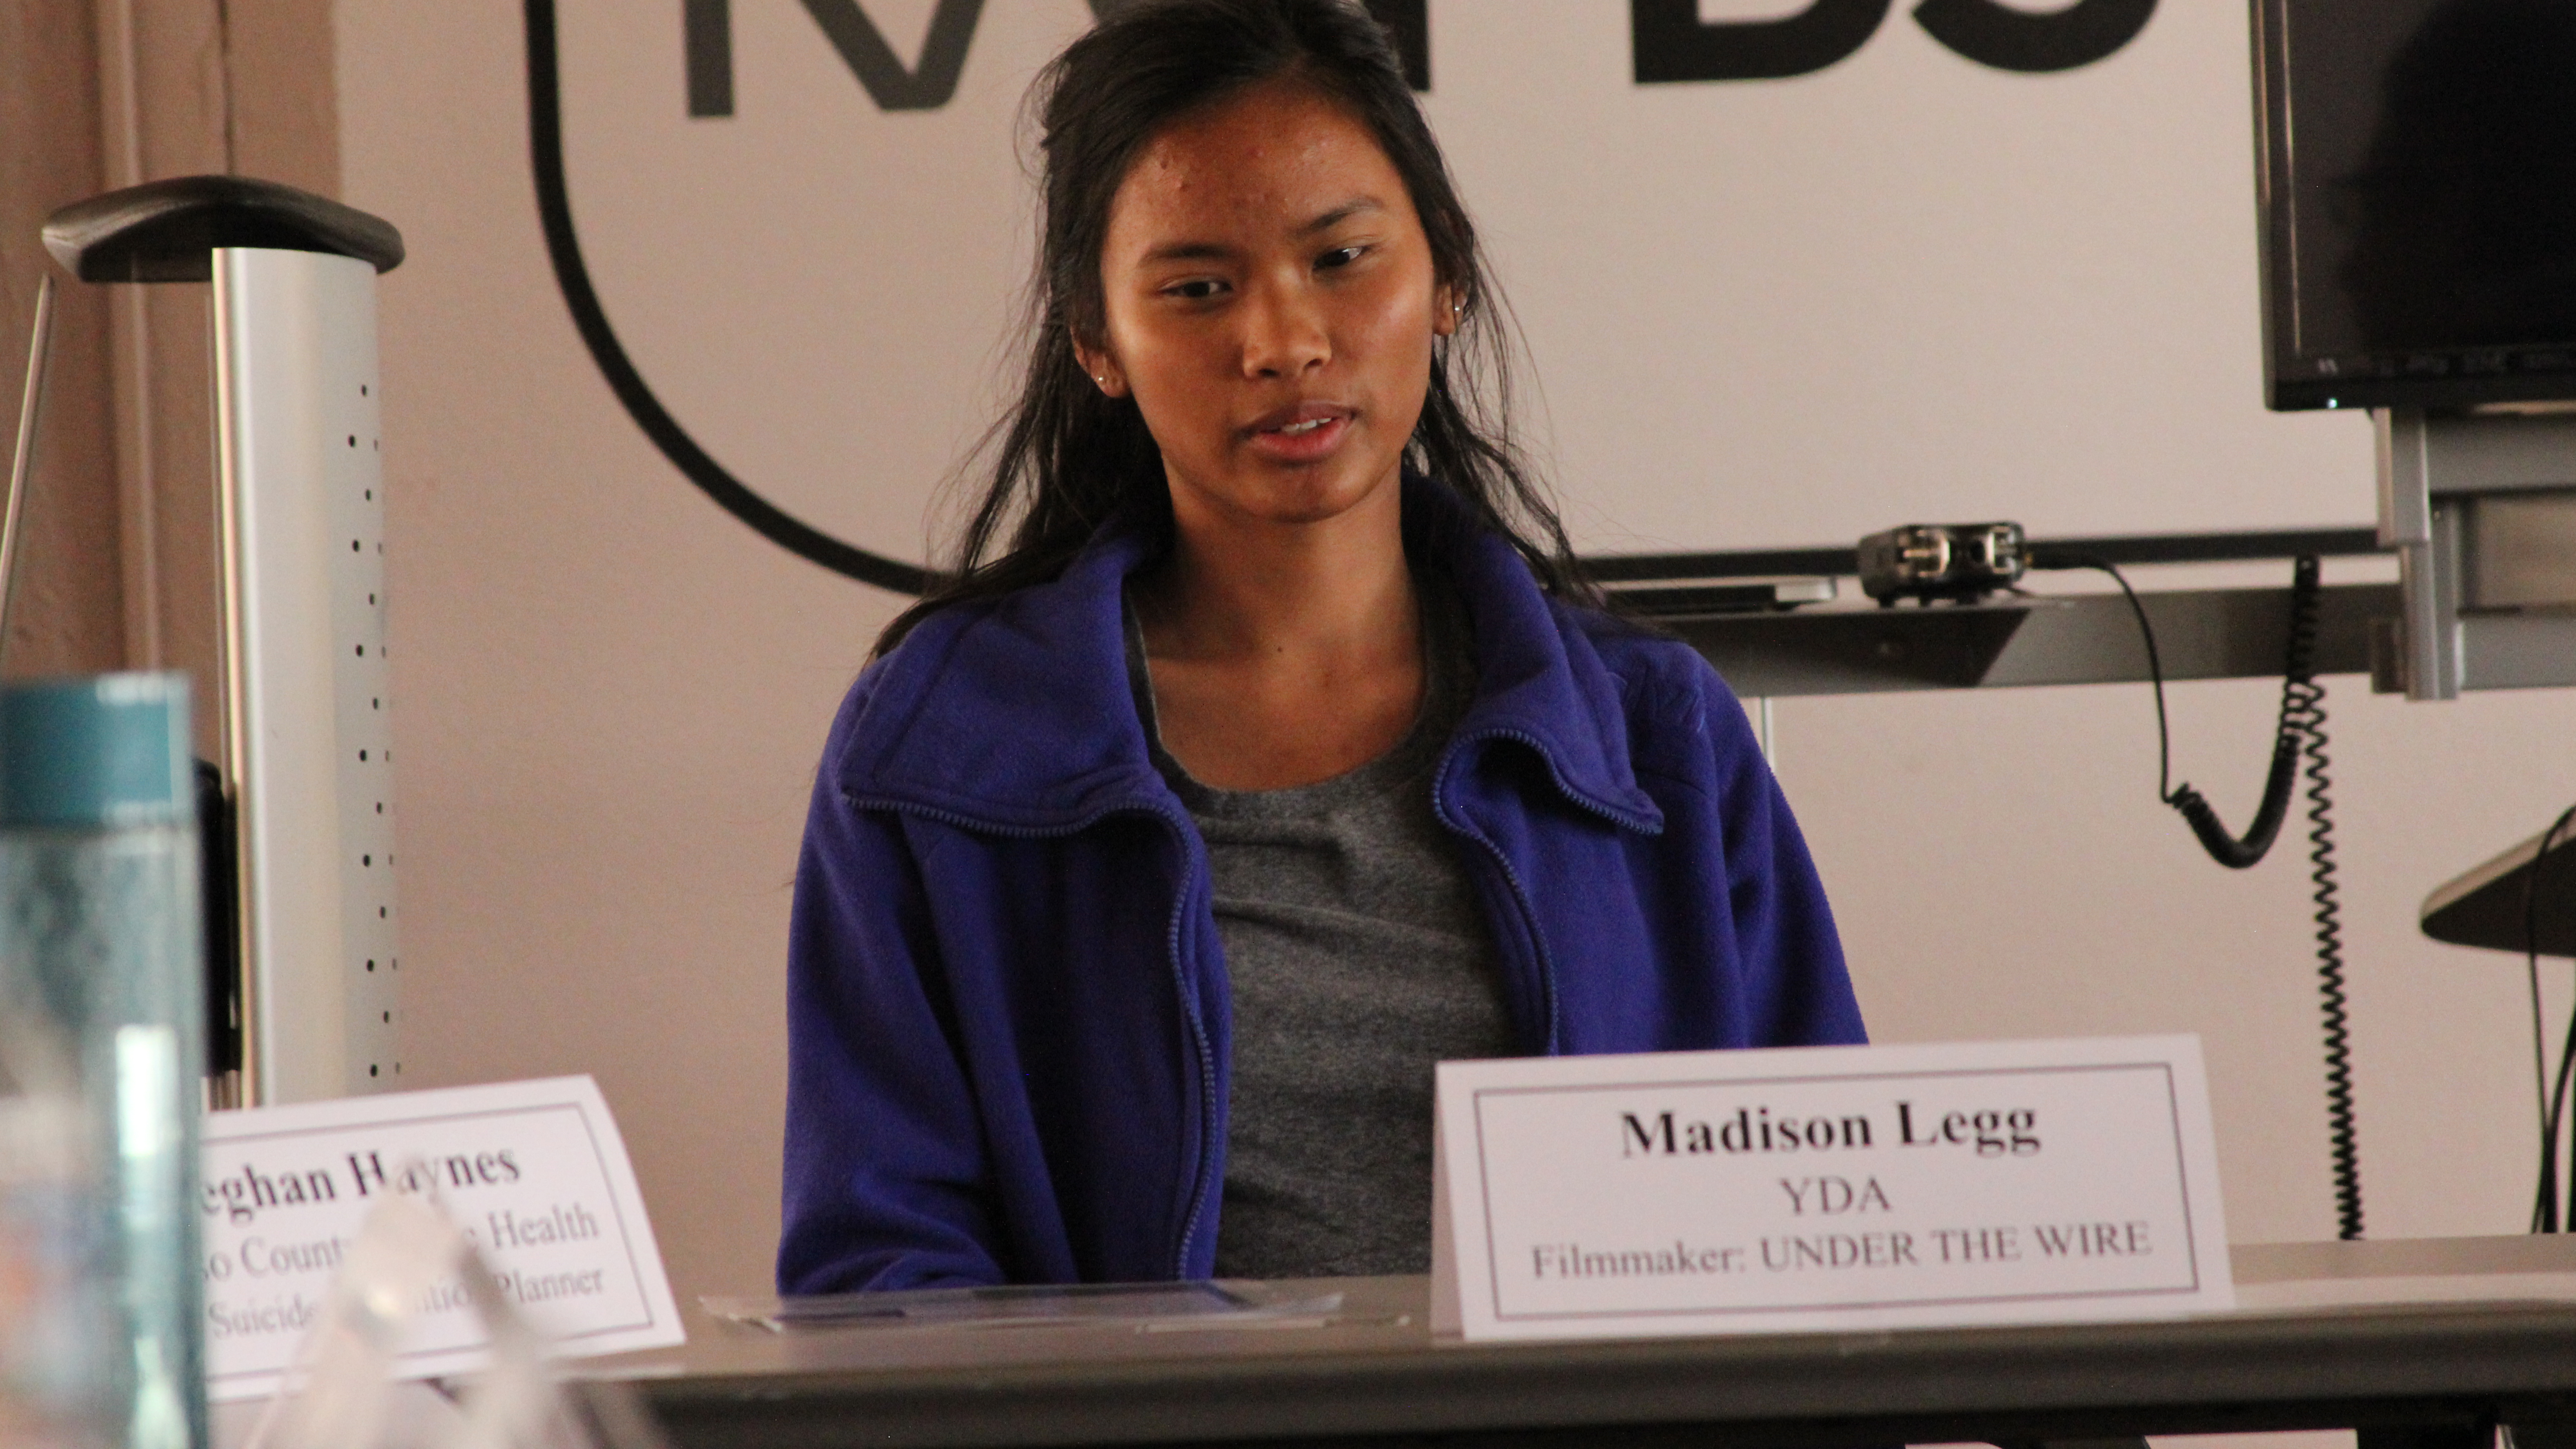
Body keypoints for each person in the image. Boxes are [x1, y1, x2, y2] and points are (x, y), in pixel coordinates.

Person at [778, 0, 1865, 1294]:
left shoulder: (1657, 736)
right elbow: (883, 1272)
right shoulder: (940, 748)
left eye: (1342, 258)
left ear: (1444, 273)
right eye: (1196, 288)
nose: (1282, 342)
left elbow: (1827, 1232)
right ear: (1096, 340)